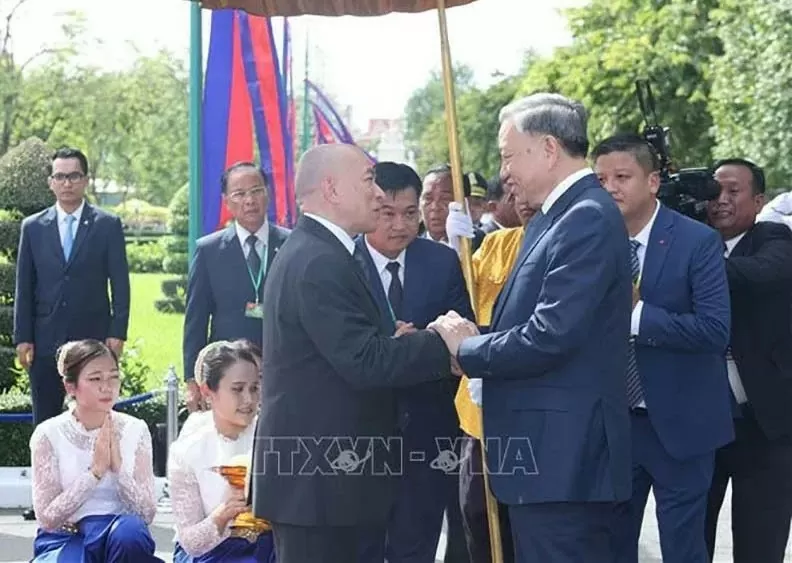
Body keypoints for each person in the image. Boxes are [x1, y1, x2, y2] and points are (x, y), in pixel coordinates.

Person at [430, 93, 633, 563]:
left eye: (508, 156)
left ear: (548, 149)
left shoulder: (586, 217)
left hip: (564, 462)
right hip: (545, 462)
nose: (504, 173)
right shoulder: (556, 217)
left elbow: (550, 334)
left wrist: (468, 349)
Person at [251, 144, 456, 563]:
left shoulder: (324, 252)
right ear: (332, 189)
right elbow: (365, 361)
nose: (378, 193)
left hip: (335, 485)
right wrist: (442, 339)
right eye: (368, 180)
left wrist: (394, 342)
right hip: (319, 487)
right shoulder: (319, 260)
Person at [593, 133, 733, 563]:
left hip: (682, 424)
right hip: (614, 426)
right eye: (600, 180)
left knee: (682, 548)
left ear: (653, 181)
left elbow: (715, 330)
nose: (610, 188)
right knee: (611, 546)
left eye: (622, 177)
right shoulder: (588, 242)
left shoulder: (697, 241)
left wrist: (636, 315)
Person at [354, 162, 474, 563]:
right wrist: (388, 347)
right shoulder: (343, 262)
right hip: (360, 439)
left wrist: (420, 344)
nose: (400, 225)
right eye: (387, 213)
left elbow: (462, 334)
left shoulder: (441, 262)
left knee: (415, 548)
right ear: (370, 206)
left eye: (409, 213)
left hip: (428, 433)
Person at [14, 147, 130, 520]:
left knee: (95, 417)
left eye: (74, 176)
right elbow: (24, 286)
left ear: (85, 180)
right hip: (46, 339)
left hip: (93, 341)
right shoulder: (33, 227)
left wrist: (117, 331)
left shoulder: (106, 225)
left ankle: (101, 495)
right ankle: (45, 500)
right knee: (45, 420)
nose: (67, 183)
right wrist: (23, 336)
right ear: (51, 182)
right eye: (60, 177)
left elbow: (121, 283)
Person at [705, 159, 792, 563]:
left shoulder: (774, 238)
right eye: (714, 191)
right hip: (700, 427)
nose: (721, 200)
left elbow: (761, 273)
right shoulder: (690, 240)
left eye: (733, 191)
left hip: (765, 425)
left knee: (760, 546)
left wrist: (695, 268)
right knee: (690, 543)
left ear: (758, 201)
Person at [454, 189, 537, 563]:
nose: (524, 200)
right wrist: (452, 248)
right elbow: (461, 299)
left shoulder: (576, 247)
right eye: (515, 190)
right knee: (479, 515)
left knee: (528, 529)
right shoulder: (495, 245)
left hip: (536, 413)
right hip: (480, 415)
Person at [29, 339, 160, 562]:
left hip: (119, 535)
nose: (107, 387)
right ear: (71, 387)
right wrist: (95, 473)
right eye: (95, 378)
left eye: (113, 377)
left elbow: (147, 513)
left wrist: (118, 468)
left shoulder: (135, 429)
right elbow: (47, 519)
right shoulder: (48, 434)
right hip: (66, 536)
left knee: (130, 534)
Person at [183, 161, 290, 412]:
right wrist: (192, 380)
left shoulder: (291, 244)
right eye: (239, 194)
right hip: (228, 371)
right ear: (226, 202)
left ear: (267, 194)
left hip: (282, 367)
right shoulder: (209, 250)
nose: (249, 200)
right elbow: (196, 319)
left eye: (256, 191)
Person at [169, 340, 275, 563]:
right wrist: (224, 513)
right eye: (237, 389)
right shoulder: (189, 450)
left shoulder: (275, 436)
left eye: (254, 388)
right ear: (208, 392)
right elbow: (191, 543)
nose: (249, 399)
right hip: (213, 552)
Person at [421, 165, 486, 252]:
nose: (435, 207)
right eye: (428, 199)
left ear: (465, 203)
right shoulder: (409, 247)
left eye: (445, 199)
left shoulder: (482, 245)